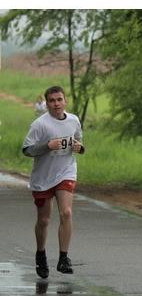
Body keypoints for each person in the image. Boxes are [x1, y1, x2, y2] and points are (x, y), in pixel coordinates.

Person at [22, 86, 84, 279]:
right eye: (52, 100)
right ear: (47, 103)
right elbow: (27, 150)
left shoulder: (73, 120)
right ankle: (41, 254)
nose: (56, 104)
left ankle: (63, 258)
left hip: (66, 172)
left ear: (65, 101)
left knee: (66, 212)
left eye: (59, 99)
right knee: (44, 220)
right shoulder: (40, 124)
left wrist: (79, 147)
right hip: (43, 177)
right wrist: (47, 146)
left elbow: (79, 142)